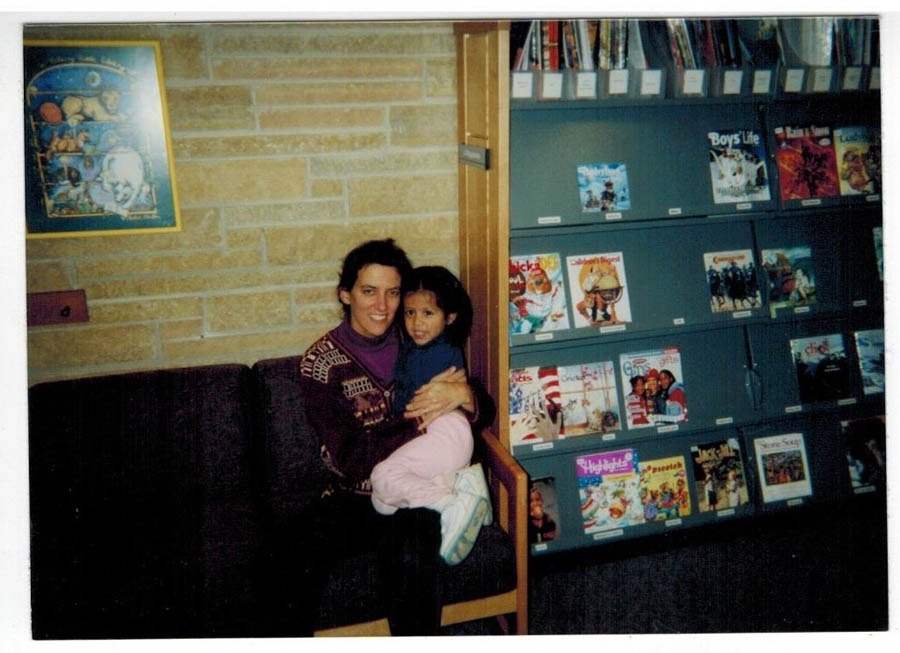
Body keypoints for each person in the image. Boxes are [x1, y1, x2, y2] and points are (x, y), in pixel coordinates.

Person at [295, 238, 495, 635]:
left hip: (417, 487)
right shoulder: (319, 364)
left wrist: (466, 395)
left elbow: (483, 413)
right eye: (369, 292)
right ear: (346, 294)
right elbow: (350, 458)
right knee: (290, 549)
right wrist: (419, 420)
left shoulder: (418, 332)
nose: (383, 306)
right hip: (353, 497)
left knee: (414, 543)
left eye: (392, 293)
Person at [370, 266, 491, 566]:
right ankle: (464, 491)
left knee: (383, 476)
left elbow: (414, 407)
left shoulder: (438, 352)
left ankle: (453, 503)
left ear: (449, 317)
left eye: (428, 313)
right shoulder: (412, 348)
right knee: (382, 501)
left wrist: (464, 393)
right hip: (439, 438)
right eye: (410, 313)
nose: (416, 323)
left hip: (445, 430)